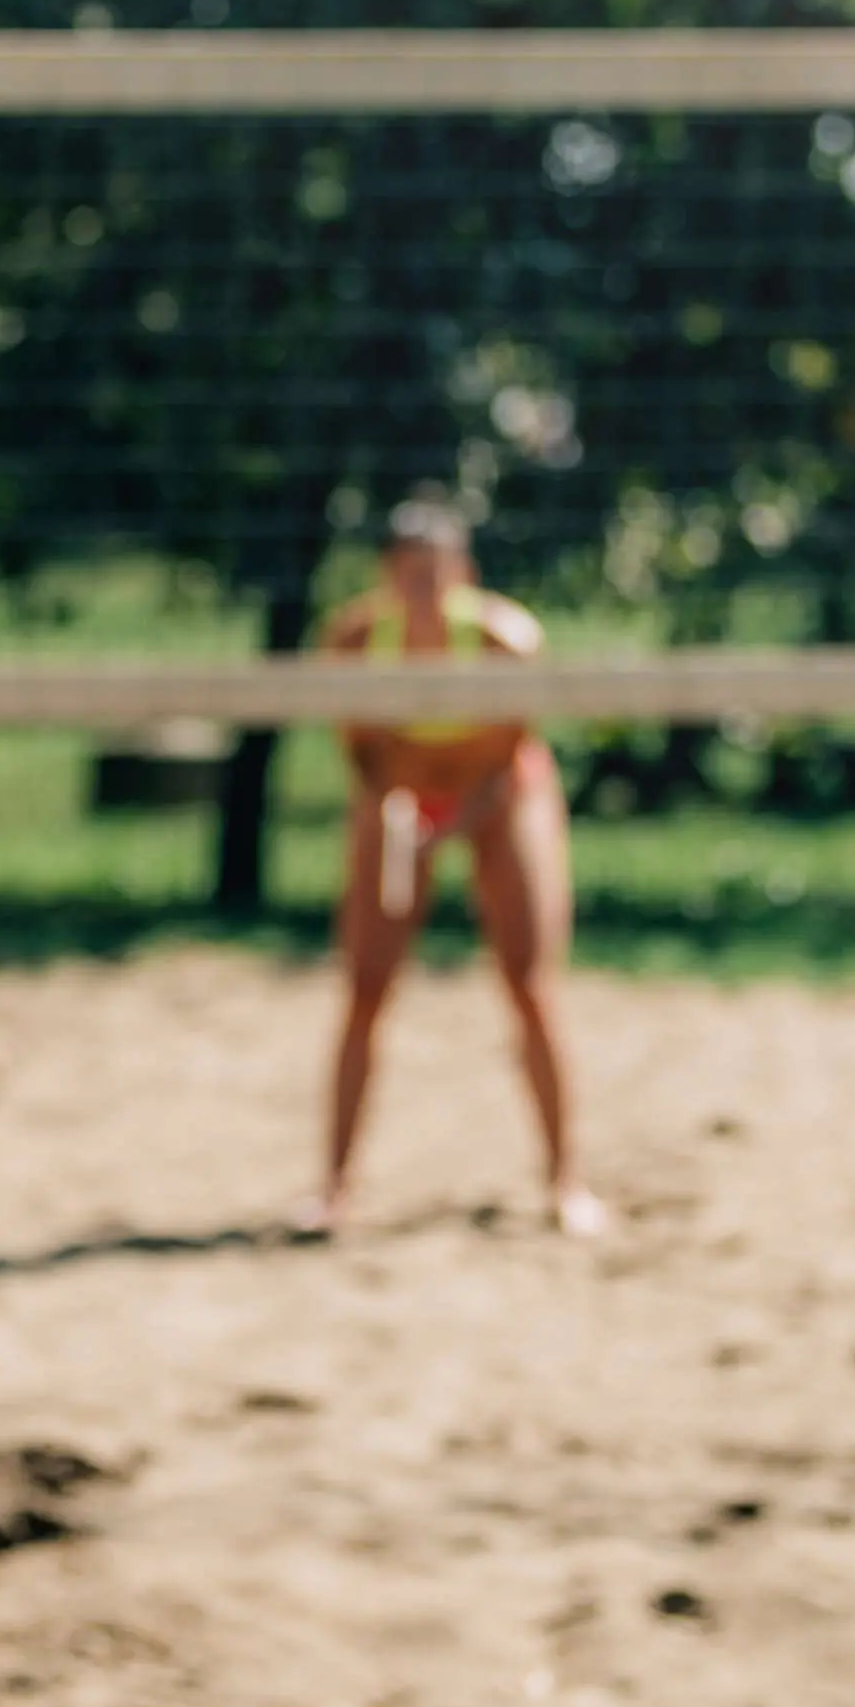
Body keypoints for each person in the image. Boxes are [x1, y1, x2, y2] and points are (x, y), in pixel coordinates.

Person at [301, 492, 604, 1240]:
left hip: (500, 799)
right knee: (366, 985)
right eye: (407, 576)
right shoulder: (355, 640)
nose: (422, 591)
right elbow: (363, 753)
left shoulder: (506, 641)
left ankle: (566, 1181)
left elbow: (507, 758)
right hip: (400, 797)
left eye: (435, 575)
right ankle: (336, 1188)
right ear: (384, 576)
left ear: (463, 573)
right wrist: (403, 817)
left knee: (530, 984)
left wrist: (457, 822)